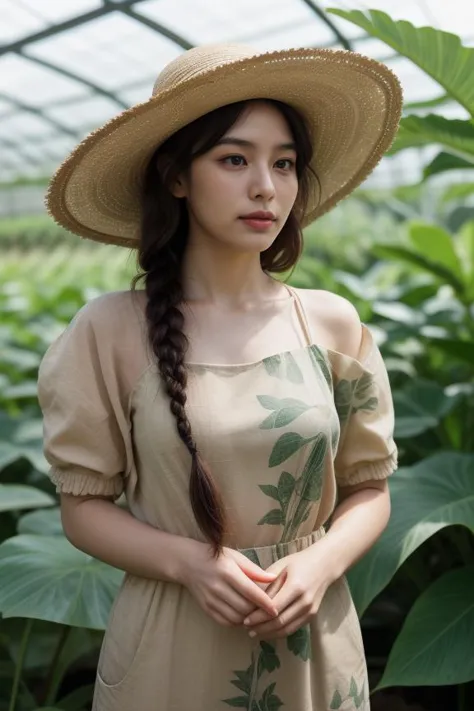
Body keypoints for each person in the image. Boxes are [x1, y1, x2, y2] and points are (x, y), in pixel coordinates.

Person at [38, 43, 402, 711]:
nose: (267, 186)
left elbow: (370, 487)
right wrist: (191, 562)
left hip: (312, 645)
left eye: (284, 163)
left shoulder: (332, 324)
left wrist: (320, 565)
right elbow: (82, 508)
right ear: (176, 175)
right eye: (235, 159)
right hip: (172, 642)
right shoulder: (108, 331)